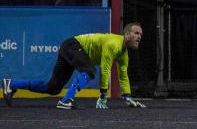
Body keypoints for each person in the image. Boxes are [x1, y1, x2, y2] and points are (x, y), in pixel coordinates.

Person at [2, 22, 146, 110]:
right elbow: (105, 68)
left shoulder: (123, 54)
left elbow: (123, 75)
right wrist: (103, 96)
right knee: (90, 70)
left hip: (70, 48)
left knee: (53, 88)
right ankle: (65, 101)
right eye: (136, 33)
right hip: (73, 46)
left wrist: (127, 97)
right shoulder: (113, 43)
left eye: (141, 34)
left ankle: (12, 84)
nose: (139, 36)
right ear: (127, 34)